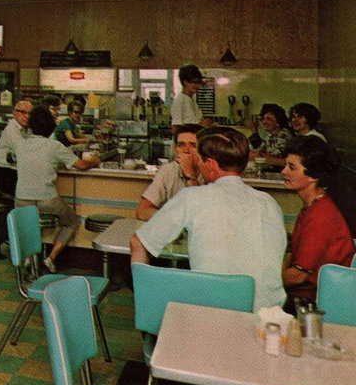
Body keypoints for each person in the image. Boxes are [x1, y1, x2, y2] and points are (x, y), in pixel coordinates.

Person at [130, 126, 287, 311]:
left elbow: (137, 243)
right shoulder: (269, 202)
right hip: (269, 318)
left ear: (210, 164)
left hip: (212, 313)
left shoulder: (193, 196)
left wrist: (146, 303)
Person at [14, 106, 100, 272]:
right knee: (72, 221)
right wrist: (94, 162)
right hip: (47, 200)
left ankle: (27, 259)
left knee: (27, 224)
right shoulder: (54, 146)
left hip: (21, 199)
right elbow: (81, 165)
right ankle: (50, 258)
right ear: (50, 126)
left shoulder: (19, 144)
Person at [281, 136, 353, 308]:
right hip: (306, 295)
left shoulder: (320, 216)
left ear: (312, 176)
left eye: (291, 167)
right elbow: (293, 255)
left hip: (315, 303)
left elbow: (299, 276)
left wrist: (267, 281)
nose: (284, 171)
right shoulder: (312, 205)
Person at [135, 124, 203, 220]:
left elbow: (202, 213)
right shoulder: (168, 170)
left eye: (193, 146)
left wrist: (189, 174)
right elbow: (142, 211)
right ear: (175, 149)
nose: (186, 151)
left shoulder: (213, 171)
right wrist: (174, 220)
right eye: (181, 145)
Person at [0, 99, 32, 197]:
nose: (27, 116)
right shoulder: (12, 129)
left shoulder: (27, 129)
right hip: (7, 175)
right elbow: (22, 151)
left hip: (17, 171)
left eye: (30, 113)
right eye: (23, 112)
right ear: (14, 113)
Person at [170, 64, 213, 133]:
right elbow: (175, 129)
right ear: (185, 82)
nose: (197, 85)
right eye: (194, 82)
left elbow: (195, 122)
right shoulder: (179, 101)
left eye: (199, 82)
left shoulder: (193, 99)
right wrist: (200, 125)